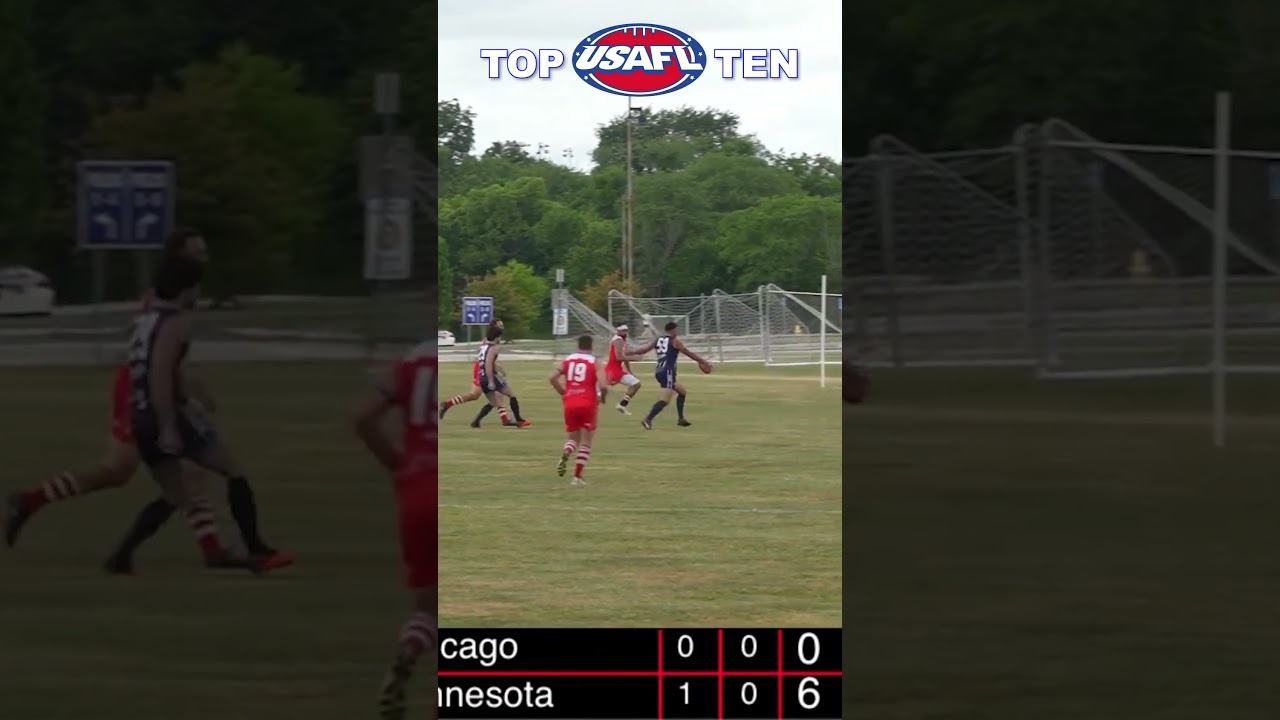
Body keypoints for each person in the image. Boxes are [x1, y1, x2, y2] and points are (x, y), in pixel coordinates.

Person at [3, 230, 292, 573]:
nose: (203, 258)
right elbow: (162, 361)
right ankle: (32, 503)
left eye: (204, 251)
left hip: (150, 389)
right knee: (120, 470)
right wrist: (187, 396)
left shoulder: (172, 297)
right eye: (195, 252)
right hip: (139, 391)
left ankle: (204, 550)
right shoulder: (166, 302)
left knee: (185, 474)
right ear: (176, 258)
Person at [115, 253, 267, 573]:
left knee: (176, 494)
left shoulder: (147, 318)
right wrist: (170, 425)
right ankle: (255, 547)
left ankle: (121, 556)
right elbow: (160, 372)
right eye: (197, 287)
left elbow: (149, 368)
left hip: (140, 413)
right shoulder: (177, 321)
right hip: (163, 413)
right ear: (187, 288)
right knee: (233, 471)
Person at [354, 340, 437, 720]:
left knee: (426, 606)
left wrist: (400, 468)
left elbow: (363, 419)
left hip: (417, 490)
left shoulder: (412, 361)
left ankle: (407, 654)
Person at [549, 335, 609, 486]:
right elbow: (603, 385)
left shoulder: (568, 360)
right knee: (586, 442)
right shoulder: (595, 362)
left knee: (573, 438)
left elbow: (552, 378)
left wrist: (563, 392)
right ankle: (577, 476)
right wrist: (602, 398)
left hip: (570, 402)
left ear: (578, 345)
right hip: (588, 402)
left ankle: (567, 451)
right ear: (591, 346)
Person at [640, 321, 712, 430]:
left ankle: (681, 419)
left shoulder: (658, 339)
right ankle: (648, 419)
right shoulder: (674, 341)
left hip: (659, 370)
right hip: (667, 371)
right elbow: (689, 354)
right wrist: (704, 362)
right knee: (665, 400)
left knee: (682, 392)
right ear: (673, 330)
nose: (677, 332)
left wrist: (630, 353)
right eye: (676, 330)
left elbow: (644, 349)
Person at [439, 336, 517, 427]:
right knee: (478, 394)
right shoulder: (490, 340)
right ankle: (504, 420)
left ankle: (448, 405)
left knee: (487, 395)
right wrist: (500, 370)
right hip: (482, 368)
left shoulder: (492, 341)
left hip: (485, 368)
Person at [474, 319, 530, 428]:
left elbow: (486, 362)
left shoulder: (484, 346)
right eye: (500, 337)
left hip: (481, 377)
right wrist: (491, 380)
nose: (500, 339)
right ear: (496, 337)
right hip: (489, 376)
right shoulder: (493, 348)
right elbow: (489, 364)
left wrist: (499, 370)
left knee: (494, 403)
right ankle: (519, 420)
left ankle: (476, 422)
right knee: (511, 395)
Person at [603, 325, 650, 416]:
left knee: (636, 384)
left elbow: (625, 356)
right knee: (603, 389)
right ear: (618, 331)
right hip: (613, 370)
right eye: (623, 331)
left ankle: (622, 405)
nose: (625, 333)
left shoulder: (622, 340)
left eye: (626, 331)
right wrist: (636, 358)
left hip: (617, 370)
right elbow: (619, 357)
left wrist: (629, 370)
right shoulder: (617, 340)